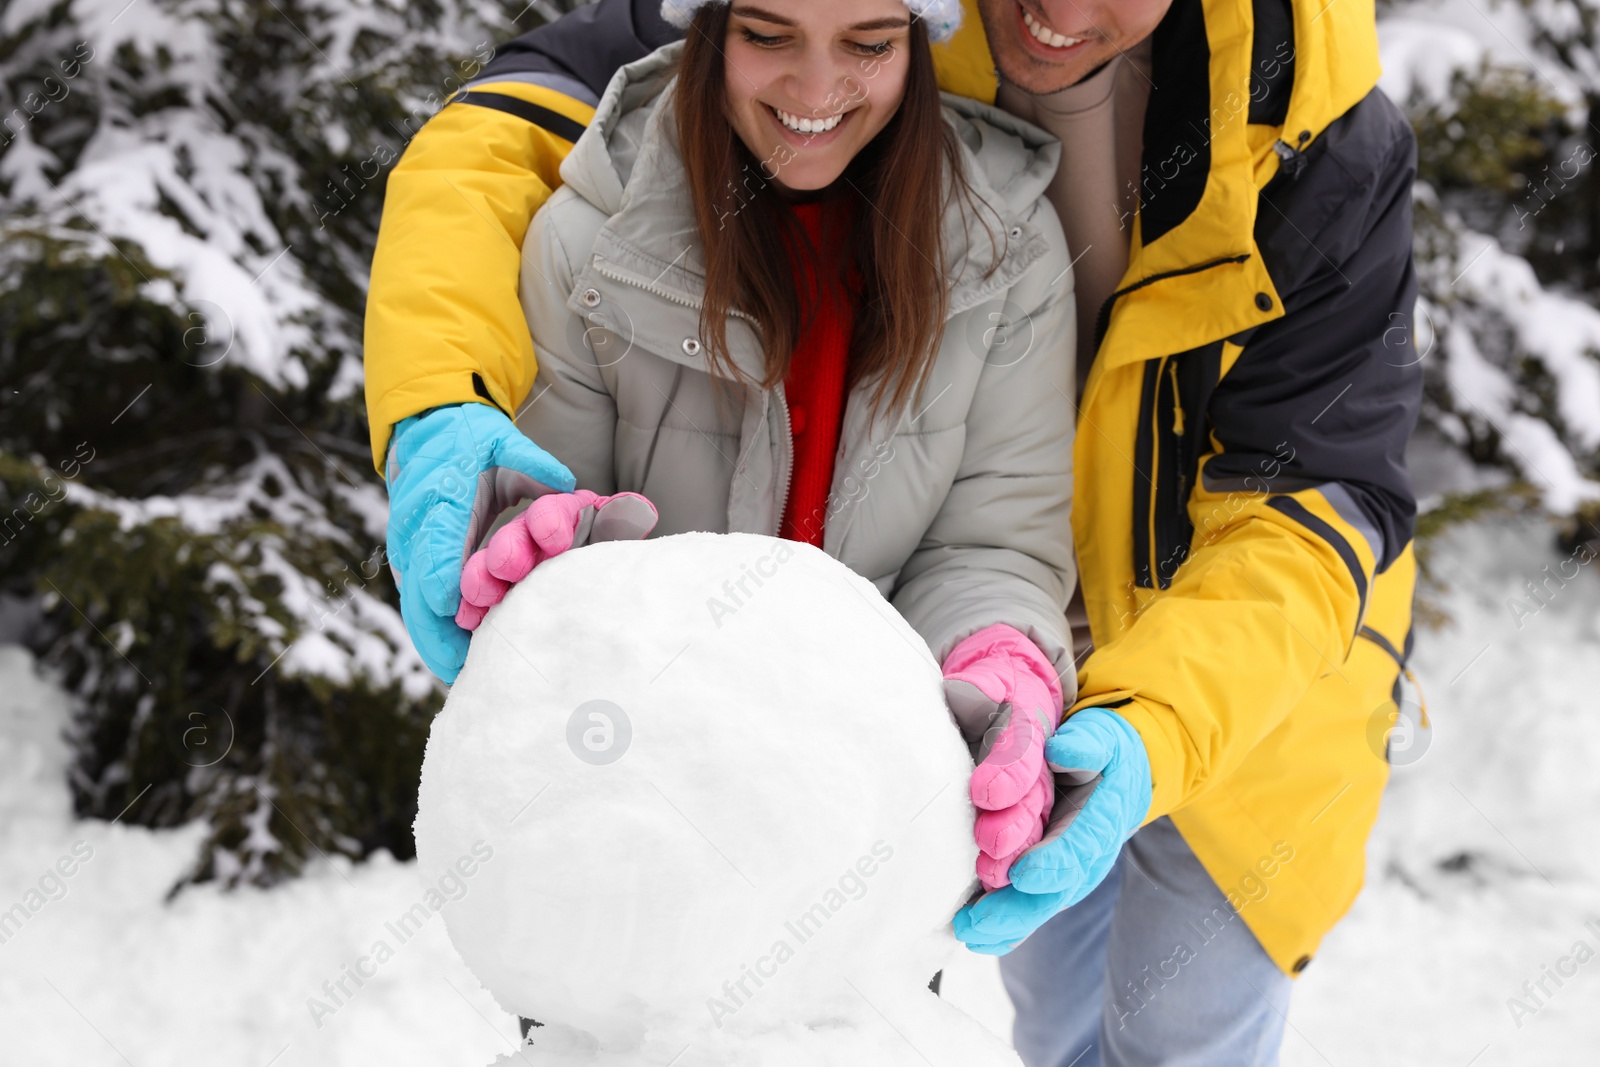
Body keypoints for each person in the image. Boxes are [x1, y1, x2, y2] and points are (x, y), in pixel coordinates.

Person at [368, 0, 1423, 1064]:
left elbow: (1309, 503)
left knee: (1183, 1027)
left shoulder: (1319, 148)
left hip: (1231, 671)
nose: (1056, 10)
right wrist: (439, 407)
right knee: (1055, 1018)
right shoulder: (796, 49)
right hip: (966, 665)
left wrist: (1138, 722)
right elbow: (496, 141)